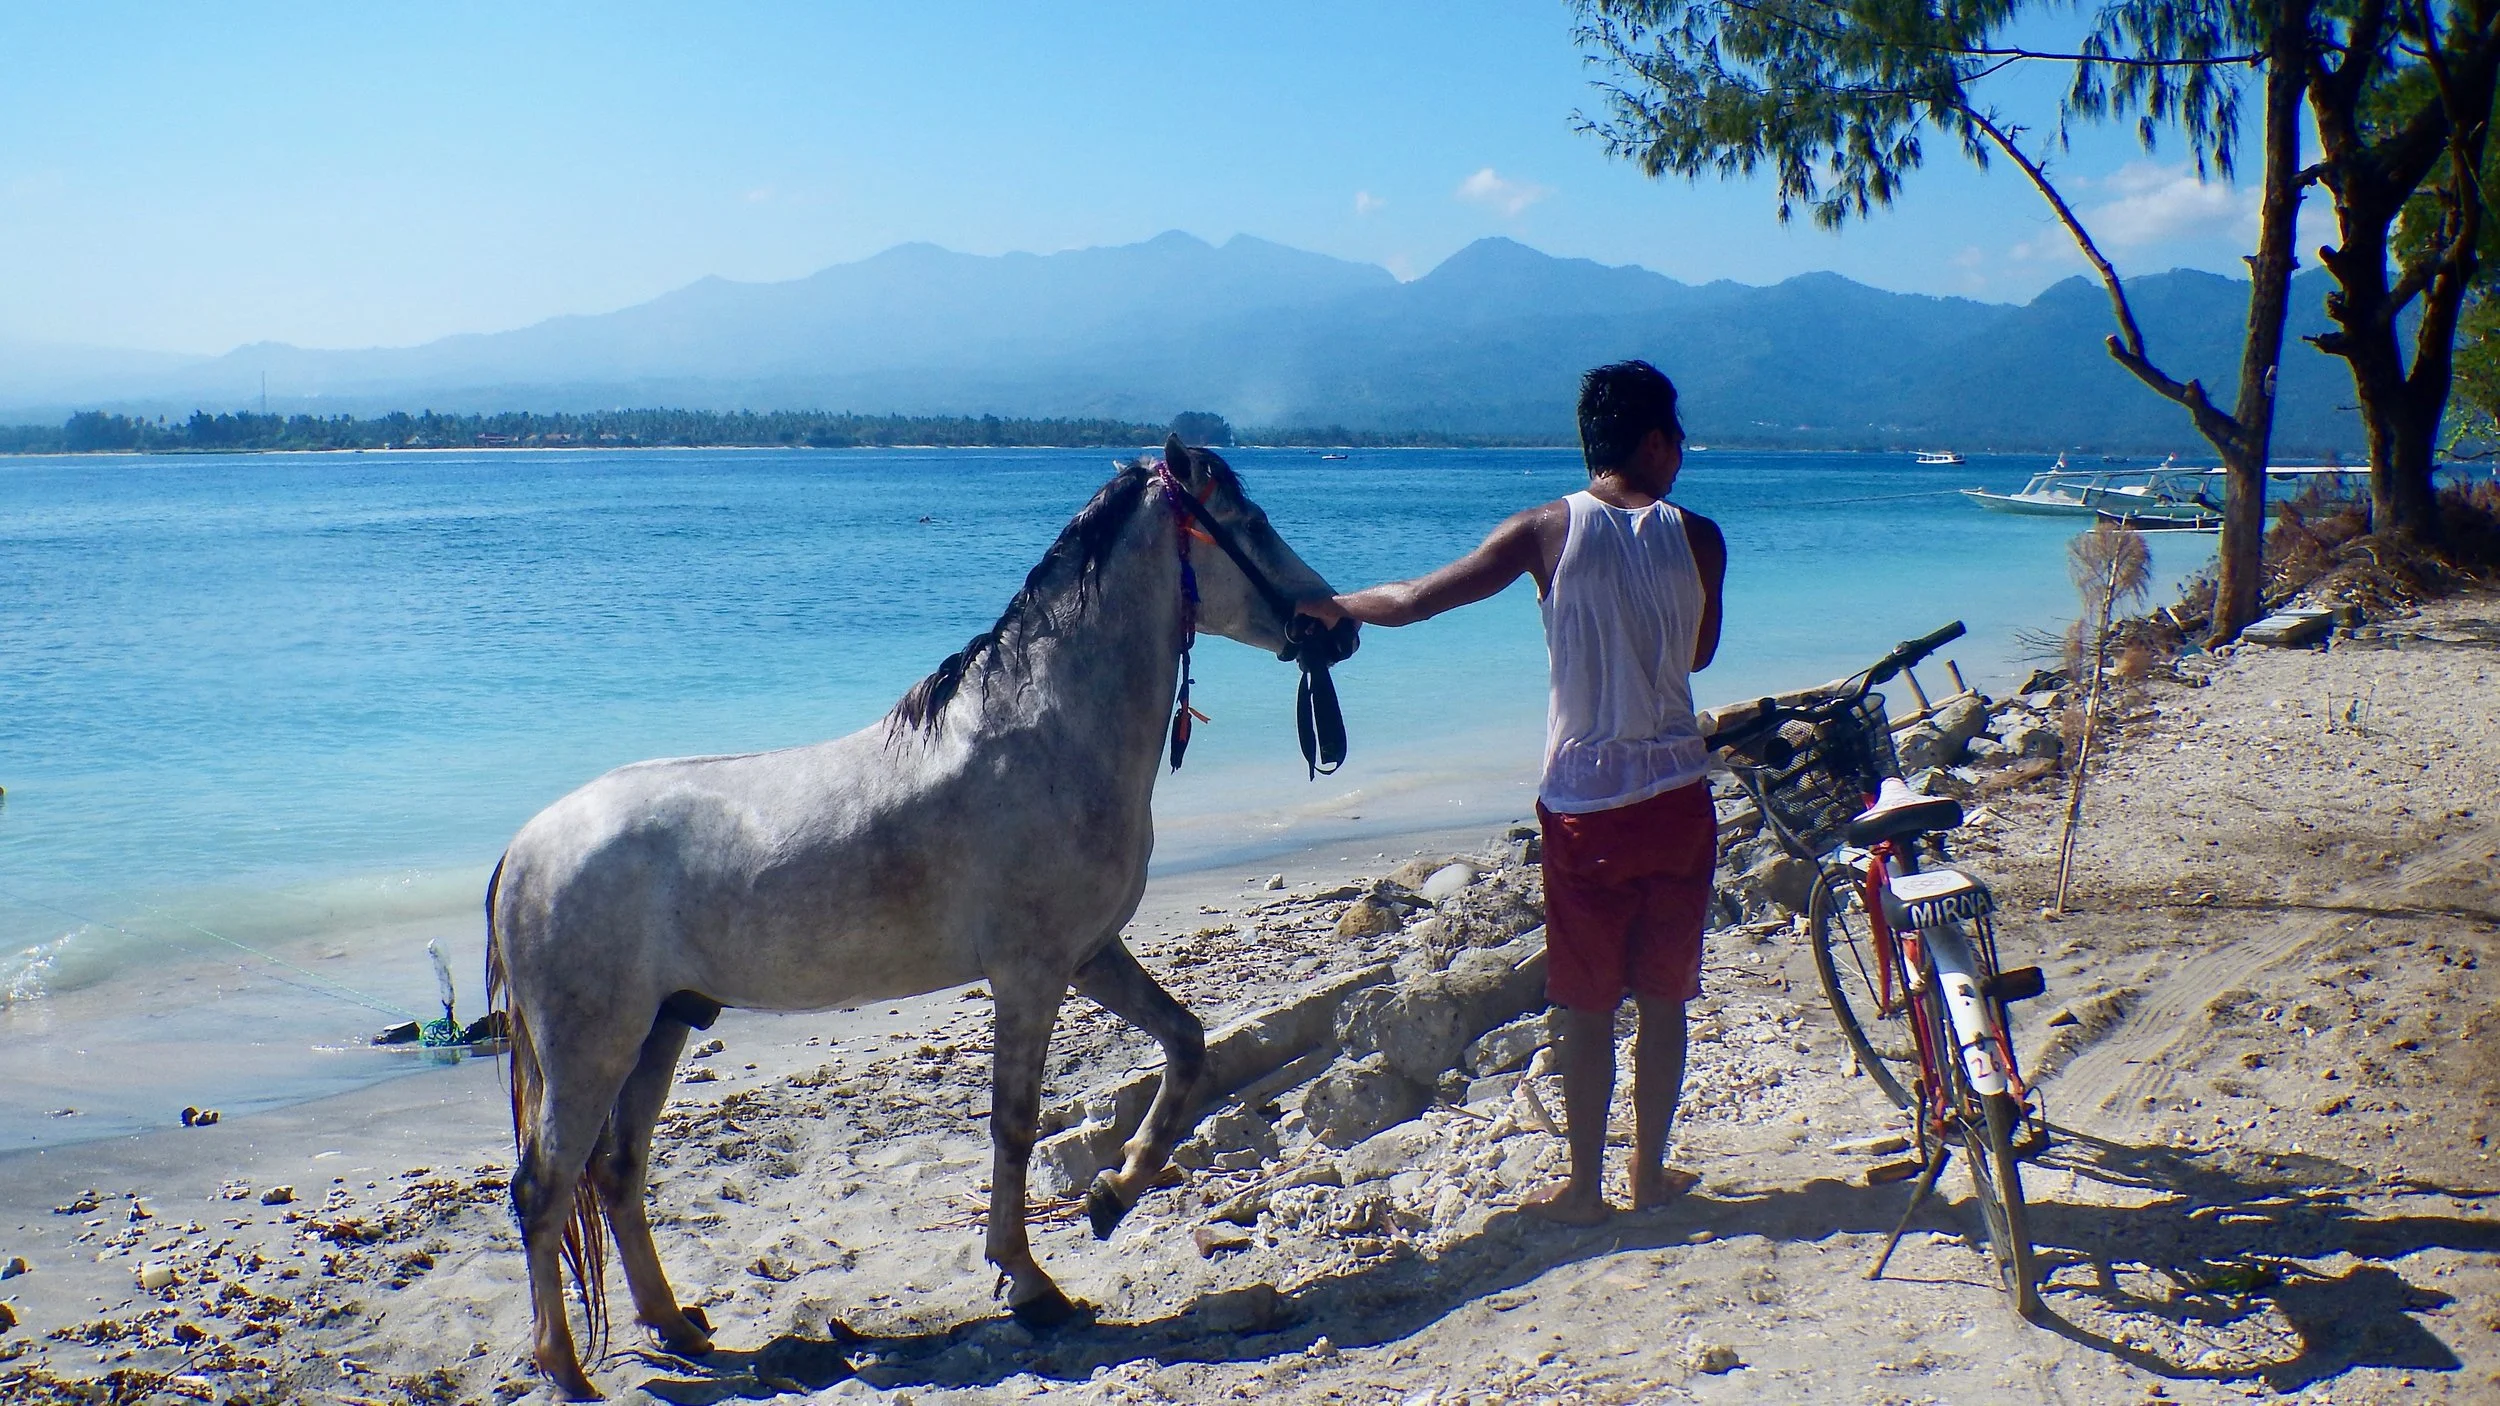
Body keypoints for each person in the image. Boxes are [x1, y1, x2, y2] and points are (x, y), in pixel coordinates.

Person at [1295, 360, 1724, 1225]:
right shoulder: (1703, 537)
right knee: (1665, 996)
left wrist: (1336, 604)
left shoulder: (1545, 531)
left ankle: (1585, 1191)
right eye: (1676, 437)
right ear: (1651, 440)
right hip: (1679, 795)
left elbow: (1416, 601)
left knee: (1588, 1000)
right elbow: (1697, 657)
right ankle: (1648, 1177)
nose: (1681, 454)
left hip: (1586, 810)